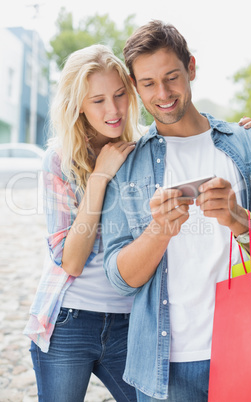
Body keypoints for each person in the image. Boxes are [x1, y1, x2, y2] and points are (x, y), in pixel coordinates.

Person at [101, 20, 251, 402]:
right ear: (135, 86)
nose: (163, 93)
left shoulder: (250, 145)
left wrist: (238, 220)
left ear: (191, 68)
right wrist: (158, 231)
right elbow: (120, 277)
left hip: (249, 348)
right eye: (148, 83)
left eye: (172, 77)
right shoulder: (126, 165)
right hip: (165, 367)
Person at [23, 44, 140, 402]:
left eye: (120, 95)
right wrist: (100, 178)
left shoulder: (144, 148)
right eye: (98, 100)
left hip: (131, 323)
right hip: (68, 321)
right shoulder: (58, 161)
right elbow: (70, 260)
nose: (114, 109)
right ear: (77, 106)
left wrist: (243, 137)